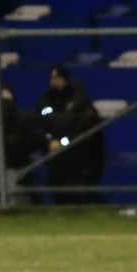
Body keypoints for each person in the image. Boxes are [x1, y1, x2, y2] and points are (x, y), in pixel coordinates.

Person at [35, 64, 104, 205]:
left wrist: (64, 141)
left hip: (78, 156)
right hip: (55, 156)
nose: (54, 81)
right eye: (52, 78)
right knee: (59, 192)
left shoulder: (80, 100)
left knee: (79, 193)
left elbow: (86, 128)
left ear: (65, 79)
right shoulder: (45, 101)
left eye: (58, 77)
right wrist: (50, 141)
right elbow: (37, 125)